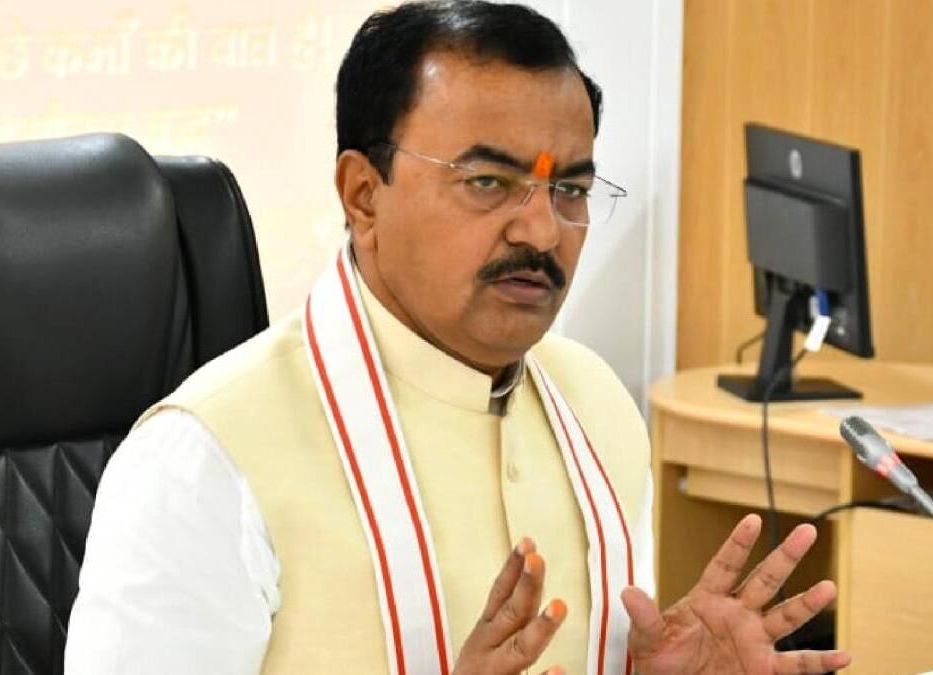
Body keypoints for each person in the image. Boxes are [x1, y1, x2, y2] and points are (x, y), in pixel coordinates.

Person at [65, 2, 850, 674]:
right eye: (488, 182)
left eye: (569, 187)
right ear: (363, 195)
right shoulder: (206, 457)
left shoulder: (596, 404)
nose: (541, 229)